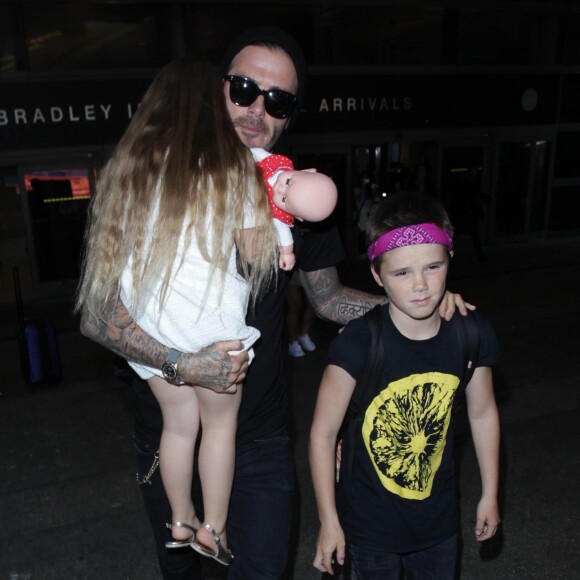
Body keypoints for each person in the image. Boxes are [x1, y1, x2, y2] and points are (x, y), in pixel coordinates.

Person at [79, 27, 470, 580]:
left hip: (260, 440)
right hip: (171, 429)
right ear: (215, 89)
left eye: (278, 100)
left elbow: (329, 299)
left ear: (289, 116)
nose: (257, 108)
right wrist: (183, 365)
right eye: (243, 88)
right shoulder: (152, 175)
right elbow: (97, 316)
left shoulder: (292, 194)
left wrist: (419, 304)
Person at [76, 59, 279, 565]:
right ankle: (214, 526)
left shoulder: (130, 170)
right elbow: (258, 257)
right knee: (220, 428)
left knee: (178, 428)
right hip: (212, 326)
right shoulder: (236, 167)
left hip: (155, 329)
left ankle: (180, 519)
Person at [309, 192, 500, 579]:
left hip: (439, 523)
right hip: (368, 526)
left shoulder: (470, 333)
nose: (420, 285)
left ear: (449, 260)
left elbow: (482, 413)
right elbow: (322, 434)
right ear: (377, 275)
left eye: (432, 267)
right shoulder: (359, 342)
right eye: (401, 273)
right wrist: (329, 521)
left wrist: (491, 494)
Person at [252, 147, 338, 270]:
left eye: (284, 200)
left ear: (297, 216)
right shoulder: (278, 165)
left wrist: (286, 253)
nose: (280, 189)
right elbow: (258, 152)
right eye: (288, 182)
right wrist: (246, 149)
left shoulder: (277, 213)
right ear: (307, 171)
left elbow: (283, 233)